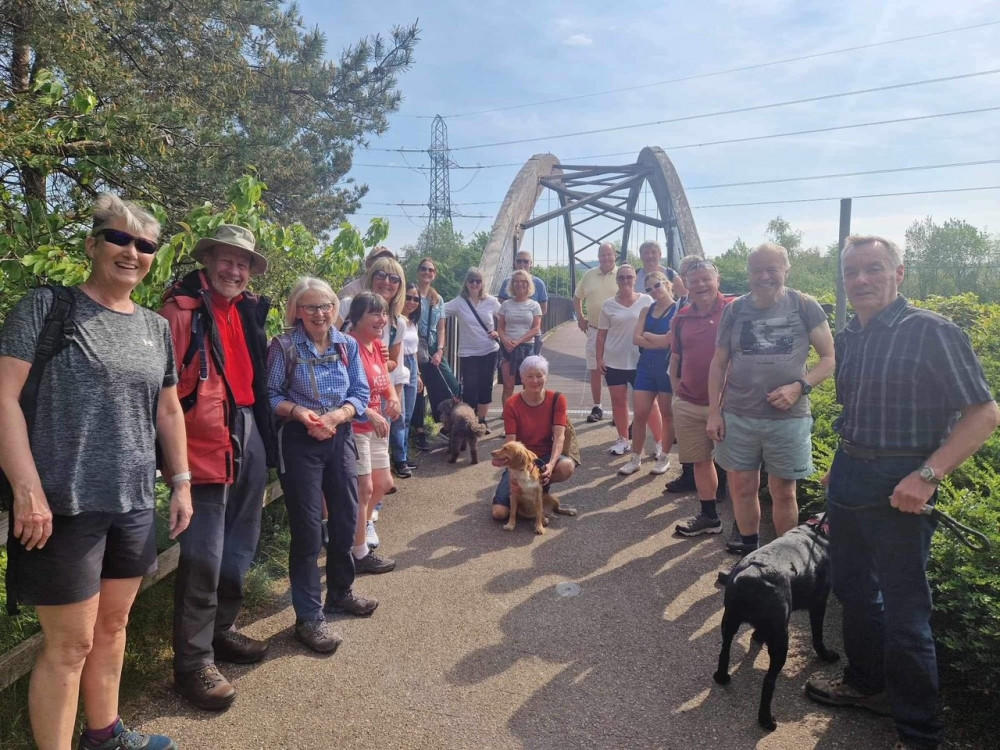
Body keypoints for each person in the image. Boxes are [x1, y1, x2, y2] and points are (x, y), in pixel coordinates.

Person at [0, 194, 190, 750]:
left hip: (131, 501)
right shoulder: (46, 308)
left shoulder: (155, 328)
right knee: (68, 646)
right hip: (61, 505)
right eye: (120, 238)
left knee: (111, 628)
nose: (132, 251)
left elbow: (168, 409)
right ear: (93, 245)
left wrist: (179, 483)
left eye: (145, 244)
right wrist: (26, 490)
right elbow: (4, 397)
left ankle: (103, 736)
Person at [803, 236, 999, 750]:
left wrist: (928, 476)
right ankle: (867, 685)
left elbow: (984, 414)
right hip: (850, 473)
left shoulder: (932, 332)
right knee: (853, 590)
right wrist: (842, 460)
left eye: (873, 269)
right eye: (852, 272)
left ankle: (920, 733)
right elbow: (859, 405)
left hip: (902, 485)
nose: (861, 280)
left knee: (907, 611)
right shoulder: (851, 335)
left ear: (899, 273)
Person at [159, 224, 275, 711]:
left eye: (242, 263)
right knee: (204, 555)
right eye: (227, 260)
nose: (234, 270)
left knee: (239, 546)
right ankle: (193, 663)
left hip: (247, 429)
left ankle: (222, 630)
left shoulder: (247, 308)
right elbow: (162, 392)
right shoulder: (179, 311)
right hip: (202, 442)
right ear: (209, 261)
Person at [267, 277, 373, 655]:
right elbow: (270, 394)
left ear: (335, 308)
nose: (319, 313)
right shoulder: (283, 346)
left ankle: (341, 592)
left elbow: (360, 393)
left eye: (326, 305)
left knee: (345, 518)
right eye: (310, 306)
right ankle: (308, 617)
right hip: (300, 441)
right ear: (297, 310)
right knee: (309, 530)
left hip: (338, 436)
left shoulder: (347, 345)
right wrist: (299, 412)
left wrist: (337, 416)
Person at [706, 243, 835, 555]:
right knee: (742, 488)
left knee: (784, 493)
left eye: (772, 269)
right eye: (757, 270)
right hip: (738, 414)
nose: (764, 276)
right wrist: (714, 412)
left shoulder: (804, 305)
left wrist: (799, 387)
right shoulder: (734, 309)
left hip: (788, 419)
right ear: (748, 273)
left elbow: (829, 359)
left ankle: (781, 565)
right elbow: (719, 363)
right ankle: (750, 558)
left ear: (786, 270)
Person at [670, 260, 734, 537]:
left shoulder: (735, 309)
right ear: (685, 284)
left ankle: (745, 529)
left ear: (717, 279)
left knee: (738, 466)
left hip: (729, 402)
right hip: (689, 400)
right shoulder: (681, 317)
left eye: (706, 279)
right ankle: (709, 517)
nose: (700, 285)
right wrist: (677, 393)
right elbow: (675, 358)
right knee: (700, 461)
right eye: (694, 281)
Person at [346, 292, 401, 572]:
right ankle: (358, 552)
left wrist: (392, 397)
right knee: (364, 488)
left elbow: (384, 380)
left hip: (378, 425)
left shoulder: (377, 346)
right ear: (356, 319)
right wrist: (368, 411)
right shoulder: (348, 347)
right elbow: (341, 392)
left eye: (384, 314)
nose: (382, 320)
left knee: (383, 484)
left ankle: (358, 528)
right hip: (356, 426)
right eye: (374, 314)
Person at [491, 355, 578, 521]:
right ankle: (523, 490)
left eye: (539, 376)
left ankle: (537, 488)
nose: (535, 381)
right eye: (529, 376)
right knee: (499, 513)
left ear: (546, 377)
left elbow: (559, 437)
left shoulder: (557, 399)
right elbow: (511, 441)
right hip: (522, 459)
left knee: (567, 466)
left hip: (544, 456)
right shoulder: (512, 404)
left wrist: (551, 464)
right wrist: (508, 466)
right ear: (522, 378)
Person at [617, 270, 675, 477]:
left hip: (667, 368)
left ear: (666, 284)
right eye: (649, 288)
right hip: (645, 367)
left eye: (657, 285)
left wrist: (649, 336)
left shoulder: (678, 310)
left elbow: (671, 341)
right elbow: (636, 339)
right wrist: (658, 339)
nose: (654, 290)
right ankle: (635, 458)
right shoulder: (646, 310)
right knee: (640, 414)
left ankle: (664, 457)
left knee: (667, 415)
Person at [596, 264, 655, 456]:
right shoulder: (608, 304)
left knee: (649, 403)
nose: (625, 281)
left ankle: (659, 442)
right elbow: (601, 335)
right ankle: (623, 439)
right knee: (618, 401)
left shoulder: (647, 300)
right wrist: (599, 358)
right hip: (614, 359)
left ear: (635, 279)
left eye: (629, 277)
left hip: (641, 359)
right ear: (617, 280)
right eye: (621, 278)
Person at [444, 267, 502, 430]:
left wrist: (499, 331)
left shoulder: (490, 301)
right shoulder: (459, 302)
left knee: (486, 386)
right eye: (471, 281)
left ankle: (482, 420)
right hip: (468, 353)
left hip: (489, 350)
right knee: (469, 388)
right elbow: (441, 311)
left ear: (482, 283)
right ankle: (469, 421)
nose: (475, 284)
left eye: (478, 281)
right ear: (466, 283)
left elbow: (505, 316)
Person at [573, 242, 618, 423]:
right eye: (602, 255)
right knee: (595, 369)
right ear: (598, 257)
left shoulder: (623, 274)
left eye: (609, 254)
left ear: (615, 255)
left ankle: (618, 410)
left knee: (618, 371)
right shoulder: (589, 275)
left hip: (617, 332)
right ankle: (597, 407)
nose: (606, 258)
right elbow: (577, 297)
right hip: (594, 329)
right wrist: (580, 317)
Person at [414, 257, 461, 423]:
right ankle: (419, 428)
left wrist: (440, 350)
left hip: (433, 346)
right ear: (418, 272)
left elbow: (441, 328)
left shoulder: (437, 299)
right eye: (424, 269)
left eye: (431, 270)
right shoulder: (410, 294)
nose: (427, 272)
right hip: (414, 345)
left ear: (435, 275)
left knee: (451, 385)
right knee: (417, 387)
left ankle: (445, 422)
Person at [390, 283, 422, 477]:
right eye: (408, 297)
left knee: (407, 415)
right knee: (399, 416)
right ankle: (399, 460)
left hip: (412, 364)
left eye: (416, 299)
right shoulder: (395, 321)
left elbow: (415, 350)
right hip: (399, 364)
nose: (411, 302)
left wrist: (418, 374)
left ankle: (403, 455)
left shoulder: (412, 322)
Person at [498, 269, 543, 405]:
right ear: (512, 285)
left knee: (528, 385)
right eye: (516, 282)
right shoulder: (505, 305)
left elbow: (536, 328)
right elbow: (500, 328)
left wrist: (518, 341)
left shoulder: (534, 305)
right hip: (508, 348)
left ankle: (526, 415)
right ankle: (508, 417)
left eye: (523, 281)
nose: (519, 284)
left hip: (527, 348)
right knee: (508, 386)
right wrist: (506, 341)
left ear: (528, 284)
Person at [498, 250, 548, 354]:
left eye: (525, 261)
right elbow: (500, 306)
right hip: (509, 337)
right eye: (519, 261)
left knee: (530, 368)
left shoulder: (539, 283)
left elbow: (543, 308)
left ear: (531, 264)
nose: (522, 264)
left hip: (532, 337)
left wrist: (531, 321)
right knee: (507, 367)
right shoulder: (507, 283)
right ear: (514, 263)